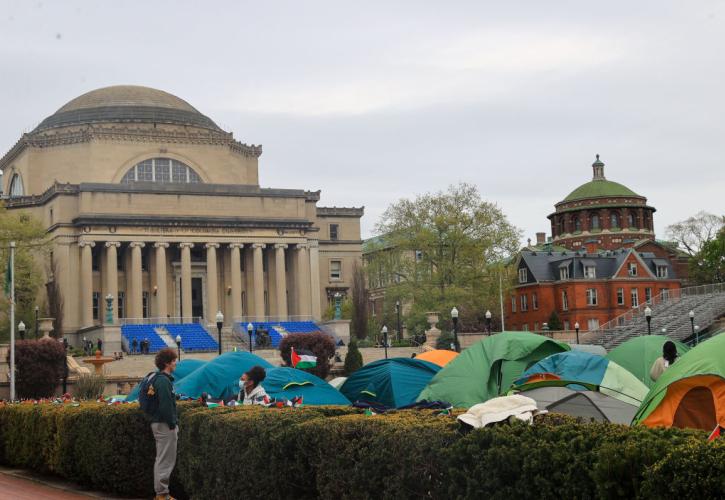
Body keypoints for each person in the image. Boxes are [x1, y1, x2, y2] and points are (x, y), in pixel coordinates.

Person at [150, 347, 178, 500]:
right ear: (167, 363)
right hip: (165, 425)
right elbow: (166, 406)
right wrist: (172, 423)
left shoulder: (158, 379)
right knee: (165, 460)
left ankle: (161, 493)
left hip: (159, 423)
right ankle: (162, 494)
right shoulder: (163, 381)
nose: (176, 363)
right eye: (174, 361)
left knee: (161, 458)